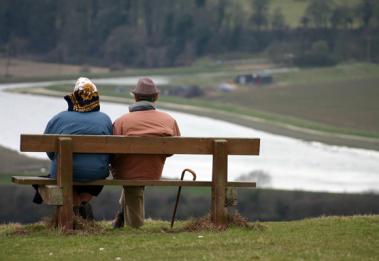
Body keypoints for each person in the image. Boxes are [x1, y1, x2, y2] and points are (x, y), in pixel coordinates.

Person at [33, 77, 112, 220]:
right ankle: (78, 207)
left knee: (61, 177)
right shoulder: (105, 119)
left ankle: (71, 213)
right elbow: (109, 153)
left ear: (74, 97)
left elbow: (50, 152)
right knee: (90, 176)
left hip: (64, 173)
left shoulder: (59, 119)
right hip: (95, 174)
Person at [111, 77, 180, 228]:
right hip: (153, 170)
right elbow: (173, 149)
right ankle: (121, 216)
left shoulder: (122, 121)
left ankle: (135, 226)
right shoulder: (169, 120)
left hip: (126, 172)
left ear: (135, 97)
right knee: (136, 173)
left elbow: (112, 151)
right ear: (156, 97)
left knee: (131, 174)